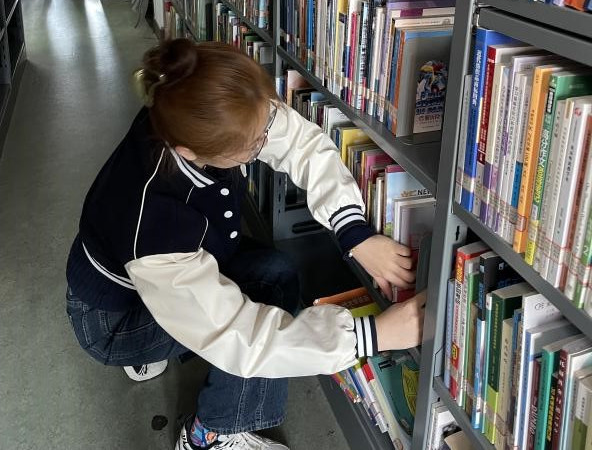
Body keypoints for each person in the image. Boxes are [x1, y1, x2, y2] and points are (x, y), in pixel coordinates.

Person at [65, 38, 426, 450]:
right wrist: (371, 336)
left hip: (149, 276)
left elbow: (298, 141)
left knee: (275, 271)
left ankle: (159, 345)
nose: (265, 141)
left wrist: (354, 232)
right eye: (253, 146)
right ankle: (209, 435)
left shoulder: (189, 105)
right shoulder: (153, 221)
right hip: (112, 323)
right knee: (264, 294)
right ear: (190, 152)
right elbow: (238, 335)